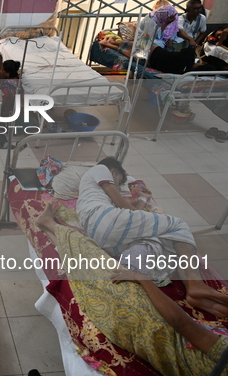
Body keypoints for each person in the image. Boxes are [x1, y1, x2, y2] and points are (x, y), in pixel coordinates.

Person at [35, 204, 228, 376]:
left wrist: (141, 278)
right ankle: (50, 227)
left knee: (92, 253)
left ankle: (50, 225)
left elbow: (181, 323)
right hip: (136, 337)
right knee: (83, 265)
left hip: (143, 320)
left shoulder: (224, 355)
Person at [76, 157, 228, 318]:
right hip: (107, 220)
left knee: (161, 239)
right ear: (113, 172)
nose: (119, 187)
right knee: (178, 225)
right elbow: (122, 205)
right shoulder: (100, 169)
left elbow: (129, 215)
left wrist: (142, 198)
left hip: (102, 237)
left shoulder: (90, 196)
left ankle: (192, 290)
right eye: (119, 181)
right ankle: (196, 282)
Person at [98, 6, 213, 74]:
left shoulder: (188, 56)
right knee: (137, 47)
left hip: (156, 50)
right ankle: (111, 42)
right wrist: (165, 25)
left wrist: (171, 40)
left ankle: (109, 42)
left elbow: (173, 35)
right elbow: (150, 35)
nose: (173, 19)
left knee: (133, 49)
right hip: (147, 39)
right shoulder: (151, 20)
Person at [0, 60, 21, 149]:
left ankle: (3, 142)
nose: (0, 70)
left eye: (2, 69)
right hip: (16, 107)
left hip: (7, 110)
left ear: (8, 73)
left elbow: (4, 100)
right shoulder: (17, 79)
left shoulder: (6, 86)